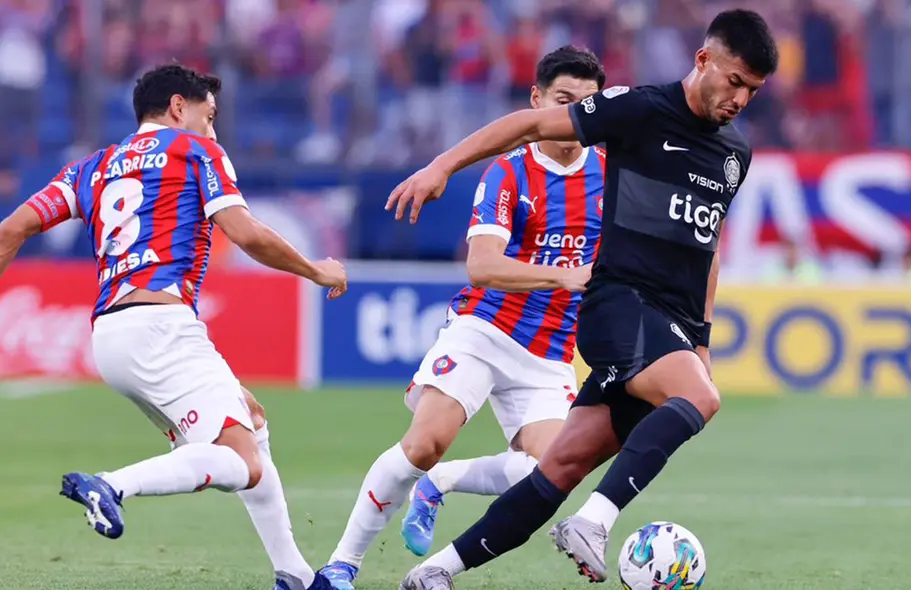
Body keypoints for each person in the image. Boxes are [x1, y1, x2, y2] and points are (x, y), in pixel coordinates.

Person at [388, 9, 779, 590]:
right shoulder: (640, 109)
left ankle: (435, 572)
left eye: (753, 90)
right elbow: (530, 124)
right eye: (735, 81)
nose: (740, 99)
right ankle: (595, 521)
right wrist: (441, 165)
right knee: (702, 398)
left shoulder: (732, 155)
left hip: (668, 323)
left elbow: (709, 248)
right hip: (618, 305)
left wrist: (700, 338)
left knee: (559, 467)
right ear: (703, 61)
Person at [0, 64, 347, 590]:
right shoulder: (196, 151)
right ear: (180, 107)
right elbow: (245, 234)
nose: (214, 130)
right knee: (242, 462)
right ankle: (111, 486)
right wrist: (315, 269)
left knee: (250, 420)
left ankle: (294, 575)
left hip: (110, 336)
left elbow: (13, 228)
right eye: (209, 116)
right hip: (160, 325)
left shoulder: (91, 167)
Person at [318, 46, 606, 590]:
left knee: (555, 470)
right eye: (564, 102)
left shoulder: (611, 178)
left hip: (549, 352)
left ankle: (441, 484)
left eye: (585, 108)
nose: (572, 120)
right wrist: (563, 276)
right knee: (425, 442)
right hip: (486, 329)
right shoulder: (509, 173)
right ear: (537, 100)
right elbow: (482, 265)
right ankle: (341, 566)